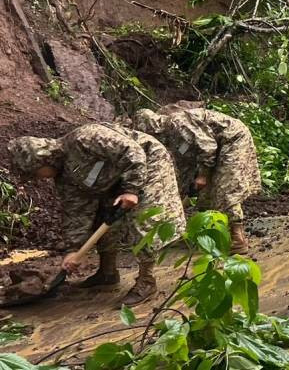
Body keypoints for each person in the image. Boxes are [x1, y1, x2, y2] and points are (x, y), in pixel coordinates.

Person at [7, 123, 185, 304]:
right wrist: (73, 250)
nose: (38, 178)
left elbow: (133, 152)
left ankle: (146, 280)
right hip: (115, 178)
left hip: (149, 162)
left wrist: (131, 189)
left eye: (35, 173)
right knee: (102, 217)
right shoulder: (65, 180)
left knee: (142, 218)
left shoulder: (85, 138)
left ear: (42, 159)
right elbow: (76, 214)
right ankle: (107, 272)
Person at [133, 107, 261, 254]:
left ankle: (237, 237)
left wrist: (203, 175)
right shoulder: (168, 137)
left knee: (226, 189)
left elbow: (207, 146)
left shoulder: (177, 123)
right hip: (215, 146)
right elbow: (185, 162)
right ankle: (210, 234)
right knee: (205, 194)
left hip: (233, 139)